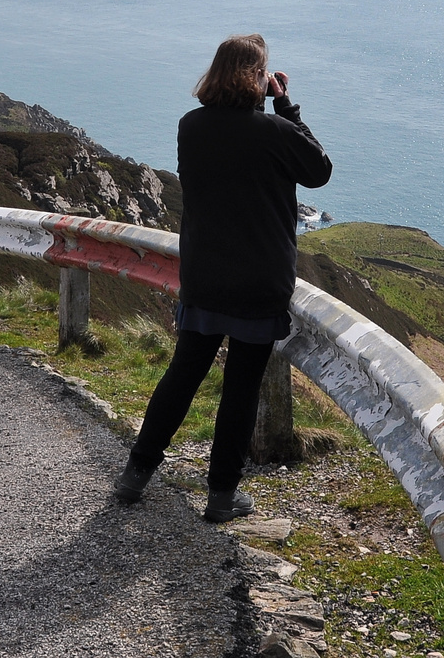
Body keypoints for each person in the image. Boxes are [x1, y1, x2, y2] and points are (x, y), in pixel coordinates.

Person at [113, 33, 332, 522]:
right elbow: (319, 170)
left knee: (183, 375)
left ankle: (135, 472)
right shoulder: (275, 133)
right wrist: (286, 106)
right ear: (259, 78)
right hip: (259, 281)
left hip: (205, 276)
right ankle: (221, 495)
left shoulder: (191, 126)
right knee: (240, 388)